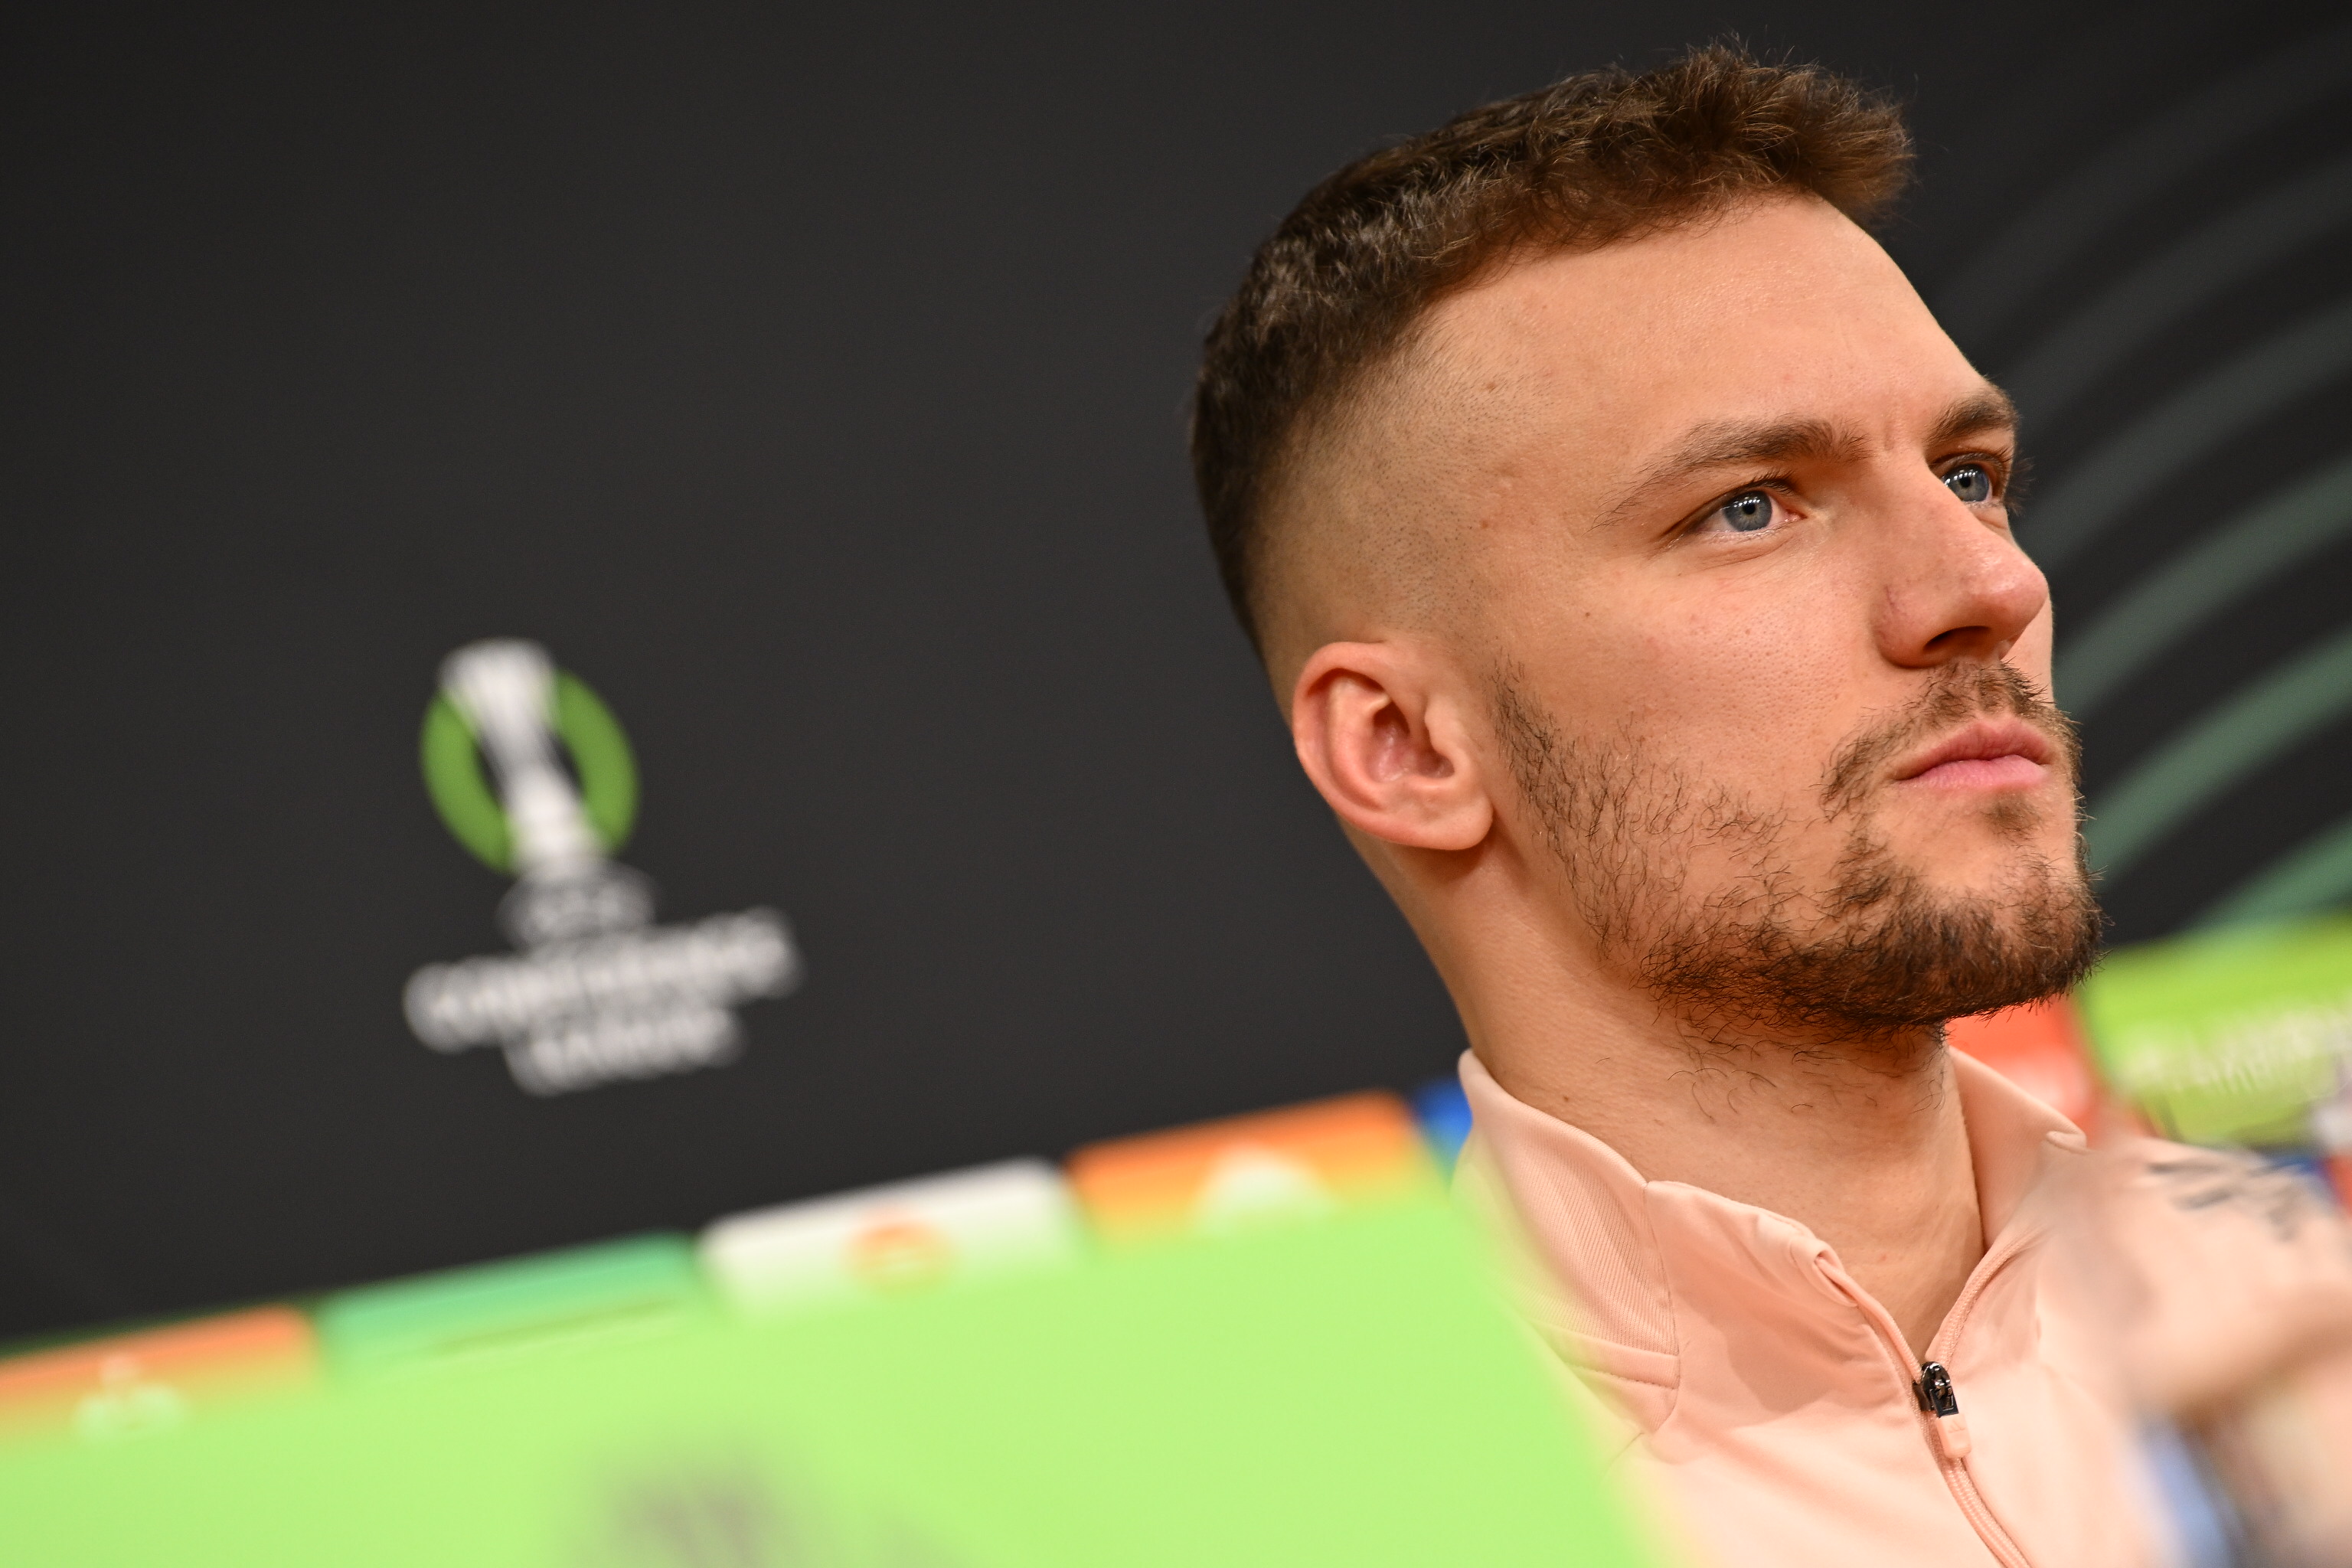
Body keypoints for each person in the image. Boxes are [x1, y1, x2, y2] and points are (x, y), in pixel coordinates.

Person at [1190, 44, 2352, 1567]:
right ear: (1407, 747)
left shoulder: (2311, 1312)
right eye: (1751, 506)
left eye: (1971, 474)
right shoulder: (1310, 1521)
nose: (1989, 585)